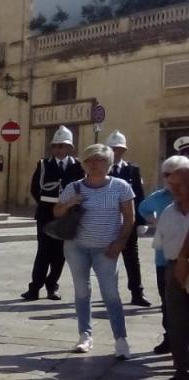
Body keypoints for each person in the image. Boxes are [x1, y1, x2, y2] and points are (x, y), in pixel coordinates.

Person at [54, 143, 135, 358]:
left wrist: (120, 242)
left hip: (107, 248)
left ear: (108, 163)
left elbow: (129, 217)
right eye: (89, 160)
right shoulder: (74, 187)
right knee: (82, 291)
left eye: (98, 160)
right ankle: (85, 335)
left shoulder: (120, 186)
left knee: (111, 294)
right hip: (76, 247)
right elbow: (57, 212)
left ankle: (121, 340)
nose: (93, 164)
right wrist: (71, 202)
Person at [23, 126, 85, 301]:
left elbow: (81, 188)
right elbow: (35, 188)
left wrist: (68, 207)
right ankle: (35, 287)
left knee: (60, 253)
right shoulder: (43, 164)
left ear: (69, 148)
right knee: (43, 251)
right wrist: (49, 204)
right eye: (55, 146)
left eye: (62, 146)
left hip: (67, 215)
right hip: (46, 213)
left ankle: (52, 286)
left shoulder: (78, 166)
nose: (58, 149)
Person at [147, 155, 189, 377]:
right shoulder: (168, 212)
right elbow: (161, 244)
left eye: (178, 185)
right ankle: (181, 371)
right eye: (170, 185)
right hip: (172, 268)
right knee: (176, 320)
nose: (172, 190)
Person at [106, 131, 149, 306]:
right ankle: (109, 292)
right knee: (108, 259)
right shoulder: (101, 170)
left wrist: (141, 221)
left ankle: (137, 292)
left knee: (132, 258)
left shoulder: (132, 169)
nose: (116, 152)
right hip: (107, 221)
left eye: (120, 149)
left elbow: (138, 196)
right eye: (113, 149)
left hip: (127, 221)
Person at [138, 165, 175, 353]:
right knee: (166, 300)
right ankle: (170, 337)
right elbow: (143, 208)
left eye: (175, 174)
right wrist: (153, 219)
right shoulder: (160, 197)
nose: (170, 179)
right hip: (164, 258)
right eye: (167, 175)